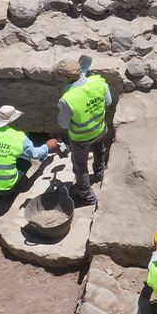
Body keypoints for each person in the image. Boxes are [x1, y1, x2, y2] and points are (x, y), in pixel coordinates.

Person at [0, 105, 58, 202]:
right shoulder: (19, 137)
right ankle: (5, 193)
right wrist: (47, 146)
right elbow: (35, 154)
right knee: (25, 159)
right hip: (5, 189)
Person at [57, 55, 112, 207]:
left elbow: (63, 124)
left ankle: (88, 197)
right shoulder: (99, 82)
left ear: (65, 77)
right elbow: (108, 101)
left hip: (80, 139)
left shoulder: (67, 99)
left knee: (80, 167)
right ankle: (100, 174)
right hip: (100, 129)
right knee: (99, 151)